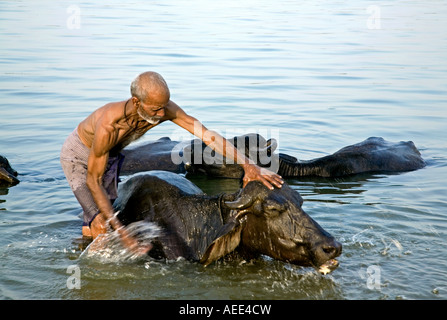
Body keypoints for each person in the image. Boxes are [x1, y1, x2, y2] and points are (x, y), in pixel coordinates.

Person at [60, 71, 284, 254]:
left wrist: (248, 165)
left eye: (164, 106)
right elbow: (93, 178)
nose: (161, 114)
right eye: (155, 109)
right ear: (136, 101)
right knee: (99, 220)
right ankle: (87, 270)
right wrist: (123, 234)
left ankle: (91, 246)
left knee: (106, 219)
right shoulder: (109, 125)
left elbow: (207, 135)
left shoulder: (164, 108)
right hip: (79, 158)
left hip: (109, 157)